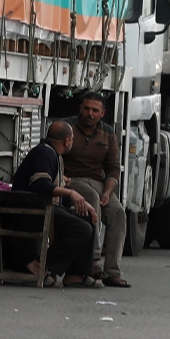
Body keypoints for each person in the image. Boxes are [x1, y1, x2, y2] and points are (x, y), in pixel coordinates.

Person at [11, 121, 101, 287]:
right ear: (67, 141)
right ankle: (41, 265)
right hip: (31, 211)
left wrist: (85, 204)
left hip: (46, 207)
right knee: (81, 229)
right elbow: (40, 184)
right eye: (72, 139)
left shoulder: (55, 156)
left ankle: (76, 274)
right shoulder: (45, 153)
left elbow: (55, 193)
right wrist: (70, 193)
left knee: (87, 218)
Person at [60, 92, 129, 287]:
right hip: (72, 180)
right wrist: (61, 176)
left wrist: (107, 192)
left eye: (95, 110)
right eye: (86, 108)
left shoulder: (109, 134)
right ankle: (93, 262)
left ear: (102, 113)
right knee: (91, 197)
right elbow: (55, 153)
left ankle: (113, 271)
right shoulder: (68, 128)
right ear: (80, 109)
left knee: (117, 213)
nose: (90, 113)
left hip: (98, 182)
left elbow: (113, 168)